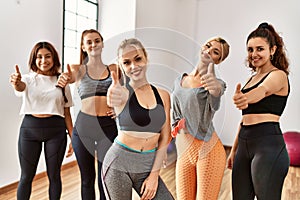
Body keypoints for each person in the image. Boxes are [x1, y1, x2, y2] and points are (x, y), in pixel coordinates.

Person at [102, 38, 174, 200]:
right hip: (118, 164)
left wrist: (154, 175)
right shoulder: (121, 92)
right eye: (126, 63)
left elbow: (165, 136)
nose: (133, 66)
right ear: (121, 66)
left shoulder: (163, 95)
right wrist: (112, 94)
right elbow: (112, 99)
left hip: (147, 165)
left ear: (146, 58)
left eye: (138, 59)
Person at [227, 22, 290, 200]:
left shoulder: (279, 75)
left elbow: (263, 90)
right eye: (250, 49)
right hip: (244, 144)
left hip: (268, 146)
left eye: (259, 49)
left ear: (272, 50)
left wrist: (245, 98)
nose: (254, 54)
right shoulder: (251, 79)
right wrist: (234, 151)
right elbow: (244, 119)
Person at [56, 29, 118, 200]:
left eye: (97, 41)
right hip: (84, 127)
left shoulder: (114, 69)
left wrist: (118, 109)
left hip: (108, 127)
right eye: (89, 42)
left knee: (105, 178)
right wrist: (64, 78)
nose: (93, 44)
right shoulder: (78, 69)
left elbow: (127, 93)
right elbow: (69, 77)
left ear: (102, 43)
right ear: (83, 47)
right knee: (87, 180)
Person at [9, 41, 73, 200]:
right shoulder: (28, 79)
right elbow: (20, 87)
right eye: (39, 57)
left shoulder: (62, 80)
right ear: (34, 59)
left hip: (56, 132)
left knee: (54, 176)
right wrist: (16, 83)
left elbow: (67, 112)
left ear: (54, 58)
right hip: (29, 131)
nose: (43, 60)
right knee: (26, 177)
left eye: (47, 56)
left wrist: (74, 138)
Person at [171, 37, 230, 200]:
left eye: (215, 52)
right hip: (184, 150)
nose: (209, 51)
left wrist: (214, 86)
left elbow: (216, 98)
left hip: (208, 150)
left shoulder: (215, 83)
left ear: (218, 60)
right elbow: (175, 110)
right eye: (208, 46)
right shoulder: (179, 80)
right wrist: (175, 125)